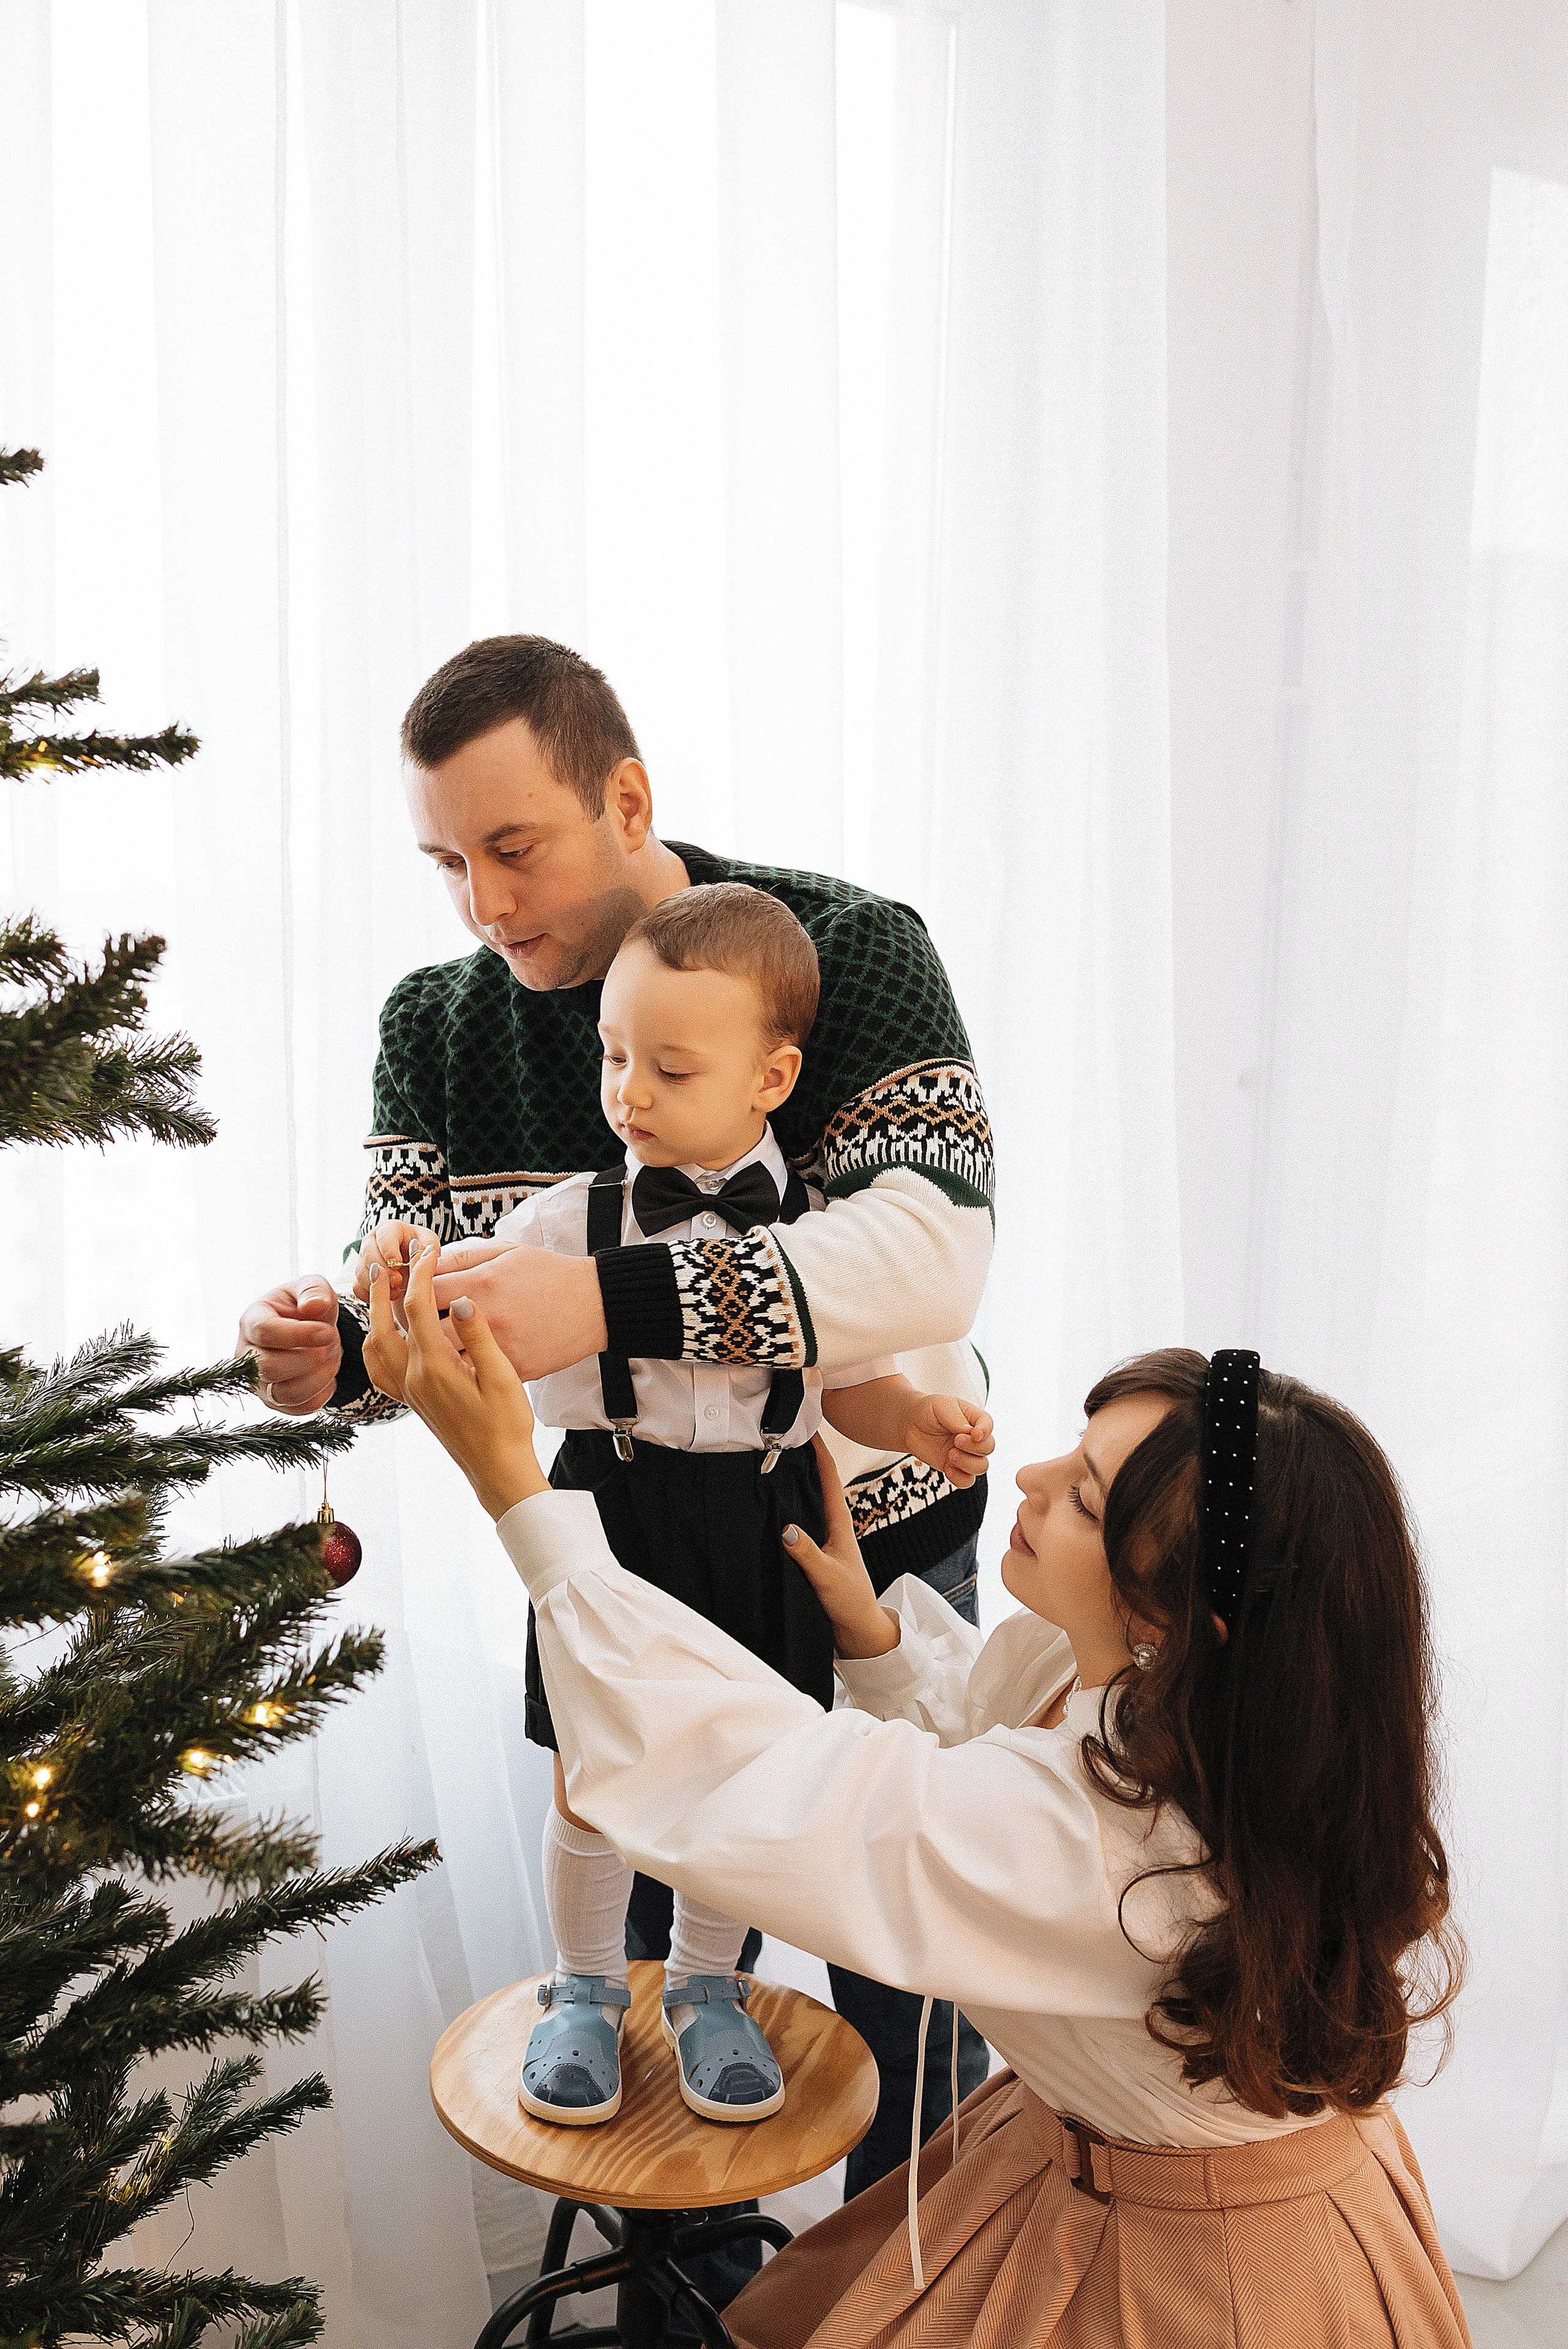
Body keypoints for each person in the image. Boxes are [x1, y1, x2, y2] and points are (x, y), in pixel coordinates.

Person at [363, 1251, 1472, 2349]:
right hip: (1073, 2155)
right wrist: (873, 1636)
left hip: (1211, 2272)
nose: (1031, 1481)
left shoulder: (1134, 1857)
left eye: (1083, 1497)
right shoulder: (1141, 1695)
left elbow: (783, 1794)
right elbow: (982, 1755)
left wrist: (518, 1485)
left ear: (1178, 1621)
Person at [236, 635, 994, 2205]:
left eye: (514, 849)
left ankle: (911, 2301)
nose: (486, 907)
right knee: (645, 1992)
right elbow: (423, 1309)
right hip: (622, 1570)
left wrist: (616, 1299)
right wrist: (339, 1354)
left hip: (871, 1558)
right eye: (447, 861)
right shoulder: (435, 1022)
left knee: (901, 1984)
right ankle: (686, 2304)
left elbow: (930, 1249)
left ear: (626, 795)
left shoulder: (839, 950)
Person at [353, 882, 994, 2130]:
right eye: (611, 1056)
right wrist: (387, 1283)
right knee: (593, 1784)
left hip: (760, 1524)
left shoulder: (811, 1236)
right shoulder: (559, 1222)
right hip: (608, 1518)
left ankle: (709, 1990)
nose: (626, 1094)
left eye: (667, 1066)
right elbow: (448, 1300)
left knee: (741, 1783)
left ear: (771, 1078)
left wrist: (914, 1421)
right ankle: (583, 1989)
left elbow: (844, 1385)